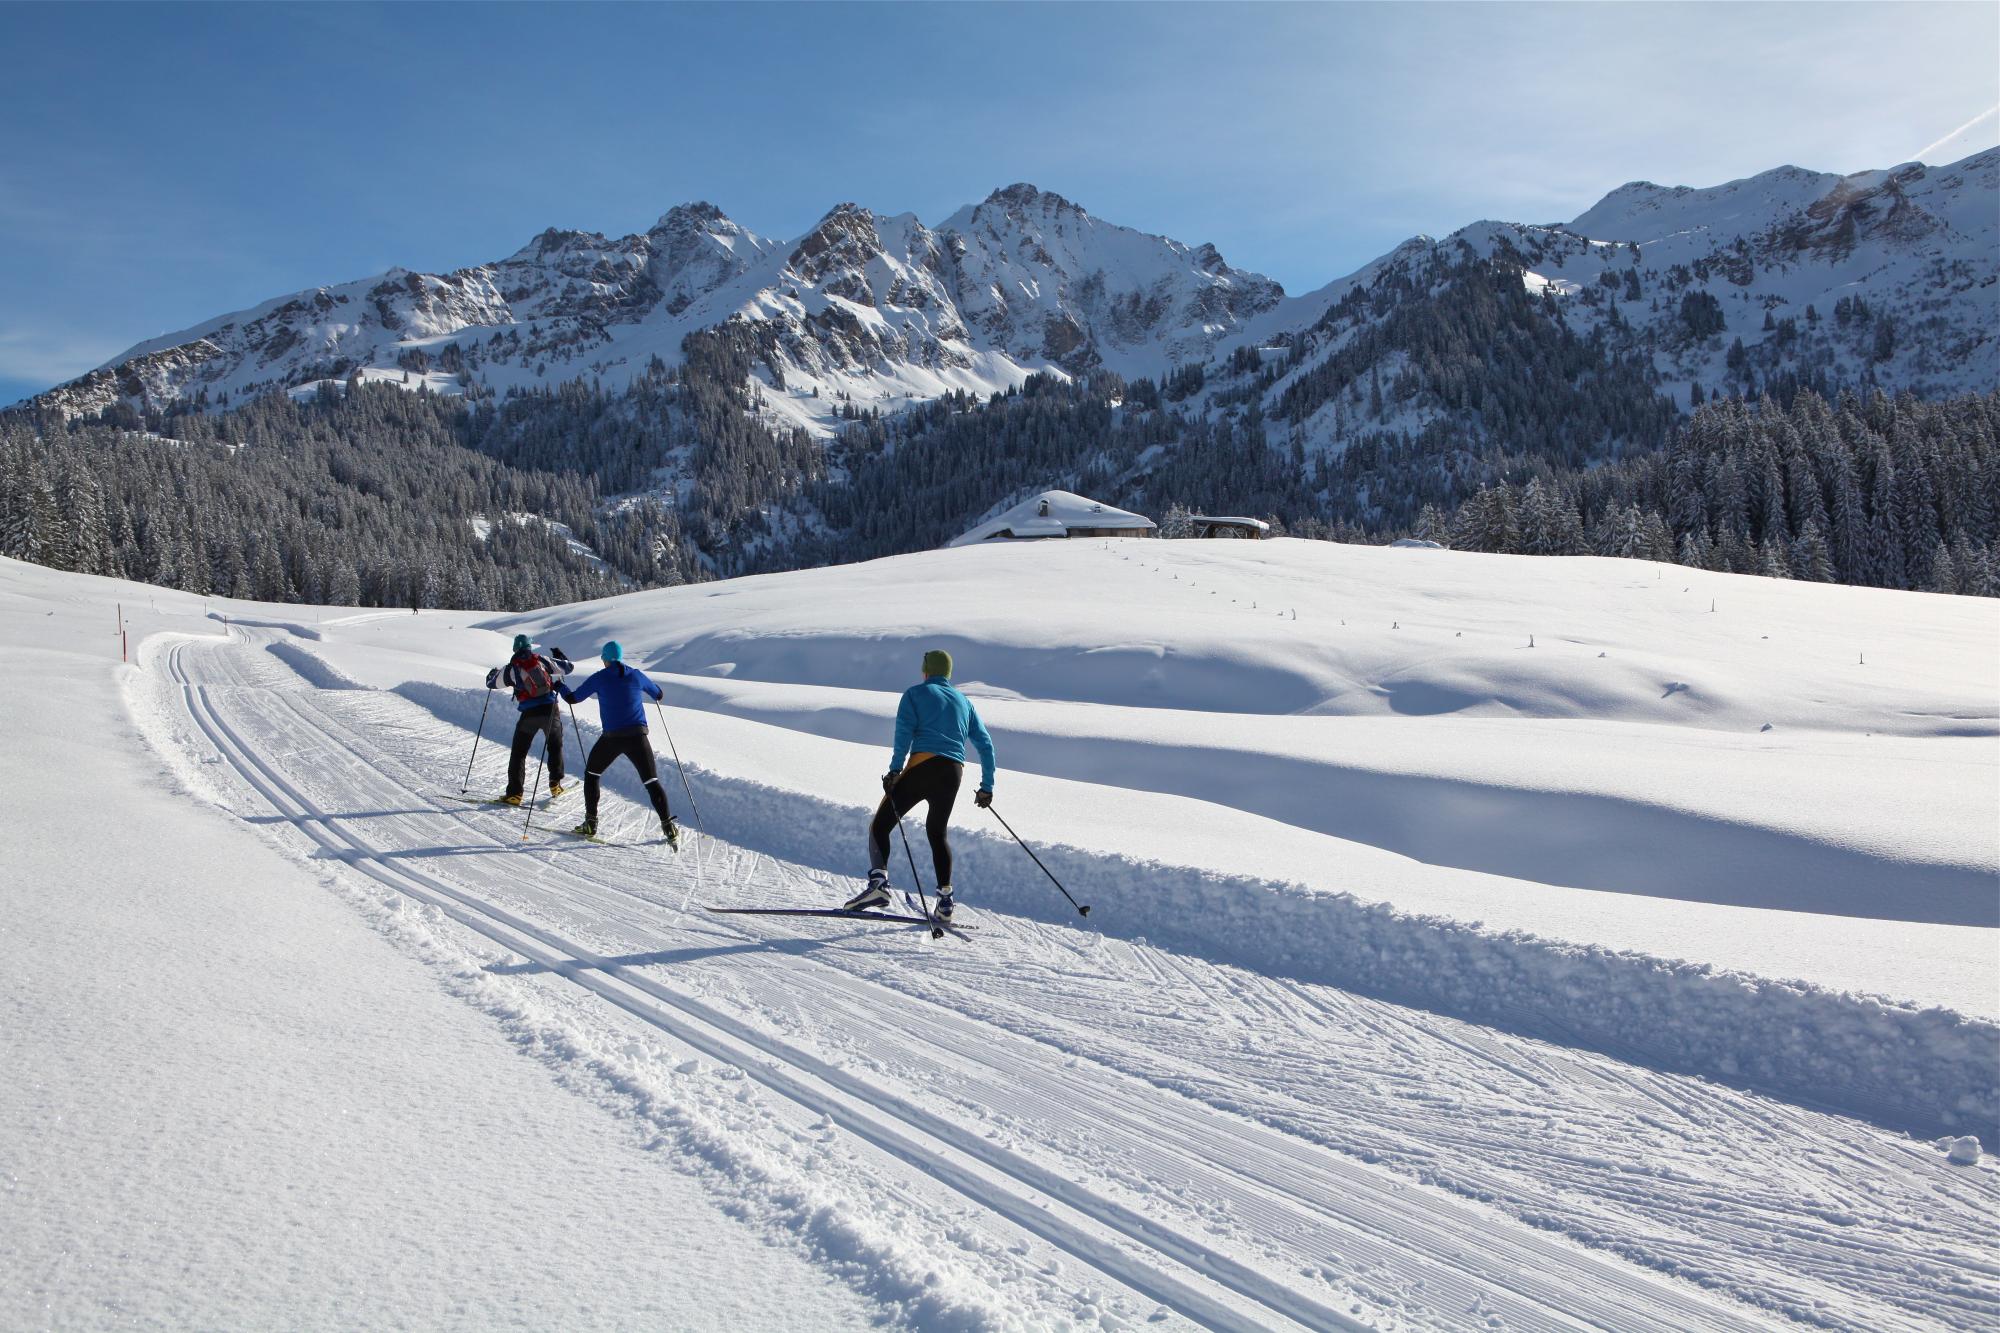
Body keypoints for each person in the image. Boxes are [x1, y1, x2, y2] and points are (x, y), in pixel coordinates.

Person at [846, 649, 995, 920]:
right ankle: (946, 901)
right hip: (953, 772)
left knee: (880, 824)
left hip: (923, 764)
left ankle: (878, 885)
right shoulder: (965, 702)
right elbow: (985, 745)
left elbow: (903, 733)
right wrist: (987, 787)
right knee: (937, 834)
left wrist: (894, 771)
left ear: (926, 671)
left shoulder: (915, 693)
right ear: (948, 673)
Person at [558, 641, 681, 849]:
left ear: (605, 659)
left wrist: (559, 685)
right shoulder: (636, 675)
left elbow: (573, 698)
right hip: (638, 737)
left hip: (612, 738)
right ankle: (668, 826)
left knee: (592, 774)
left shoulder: (600, 677)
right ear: (621, 657)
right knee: (651, 780)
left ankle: (590, 823)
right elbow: (658, 694)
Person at [484, 634, 572, 804]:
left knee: (519, 753)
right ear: (530, 647)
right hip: (550, 710)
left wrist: (491, 674)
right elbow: (568, 668)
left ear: (515, 649)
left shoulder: (511, 669)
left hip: (529, 715)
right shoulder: (542, 660)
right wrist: (560, 656)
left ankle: (515, 794)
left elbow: (491, 684)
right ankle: (555, 784)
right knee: (554, 746)